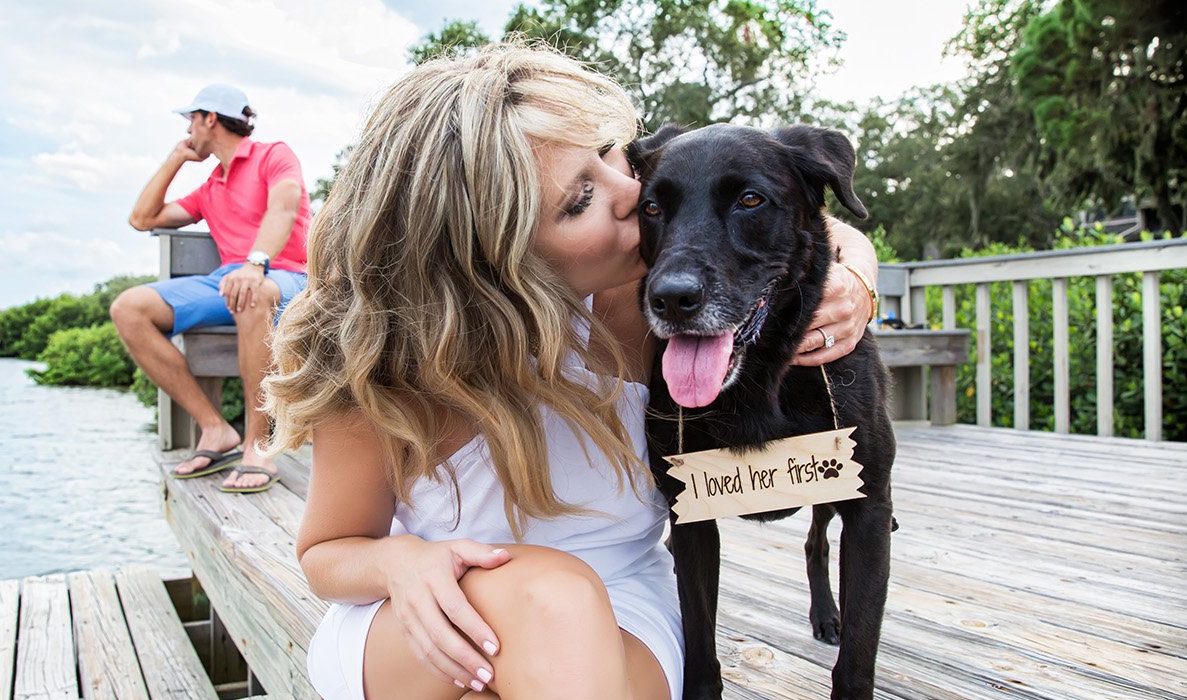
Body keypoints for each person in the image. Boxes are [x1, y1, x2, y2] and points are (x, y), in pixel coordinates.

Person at [263, 44, 878, 699]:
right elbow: (327, 552)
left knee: (559, 609)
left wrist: (856, 280)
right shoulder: (386, 363)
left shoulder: (654, 300)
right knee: (547, 600)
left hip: (623, 613)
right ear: (488, 254)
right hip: (417, 615)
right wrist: (399, 560)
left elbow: (798, 209)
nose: (632, 192)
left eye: (613, 154)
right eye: (580, 199)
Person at [115, 83, 310, 493]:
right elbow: (142, 218)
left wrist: (257, 263)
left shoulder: (273, 155)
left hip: (286, 276)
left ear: (209, 118)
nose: (188, 131)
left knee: (251, 292)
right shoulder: (210, 186)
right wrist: (175, 159)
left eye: (191, 121)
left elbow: (284, 208)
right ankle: (215, 429)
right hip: (228, 283)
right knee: (129, 308)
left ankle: (258, 444)